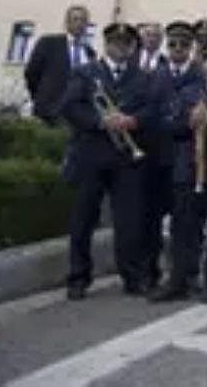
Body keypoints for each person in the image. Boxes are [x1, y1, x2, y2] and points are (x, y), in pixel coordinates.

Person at [59, 22, 152, 299]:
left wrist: (133, 120)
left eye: (125, 43)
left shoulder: (143, 78)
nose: (119, 47)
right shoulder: (85, 73)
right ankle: (78, 277)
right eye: (114, 42)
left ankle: (132, 276)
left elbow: (152, 110)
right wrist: (100, 121)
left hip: (127, 158)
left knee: (129, 221)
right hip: (91, 155)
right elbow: (70, 107)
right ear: (106, 44)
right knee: (83, 219)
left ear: (133, 47)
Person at [150, 39, 207, 302]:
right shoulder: (188, 92)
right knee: (182, 227)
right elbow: (171, 129)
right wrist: (189, 122)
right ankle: (178, 279)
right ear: (203, 64)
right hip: (187, 168)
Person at [142, 20, 202, 290]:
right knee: (151, 218)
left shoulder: (199, 77)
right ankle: (151, 272)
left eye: (184, 45)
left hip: (185, 158)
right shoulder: (156, 75)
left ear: (191, 48)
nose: (178, 49)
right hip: (157, 157)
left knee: (184, 221)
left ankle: (185, 272)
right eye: (173, 44)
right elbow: (148, 111)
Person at [24, 4, 95, 124]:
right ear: (67, 23)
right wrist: (41, 97)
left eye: (83, 20)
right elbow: (32, 73)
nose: (79, 24)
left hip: (77, 118)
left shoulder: (90, 53)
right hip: (49, 112)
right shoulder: (49, 43)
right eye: (75, 19)